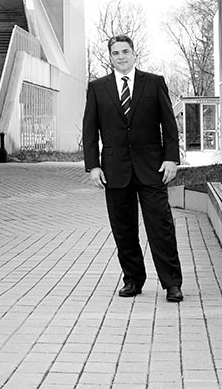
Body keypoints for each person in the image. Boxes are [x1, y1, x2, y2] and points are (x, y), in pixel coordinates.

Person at [82, 34, 183, 302]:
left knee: (161, 227)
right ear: (111, 57)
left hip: (152, 168)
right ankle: (133, 280)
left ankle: (172, 284)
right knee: (124, 230)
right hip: (115, 170)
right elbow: (90, 130)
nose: (121, 57)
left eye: (125, 51)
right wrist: (93, 166)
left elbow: (168, 125)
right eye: (116, 53)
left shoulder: (154, 82)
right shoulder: (97, 88)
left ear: (134, 53)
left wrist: (171, 158)